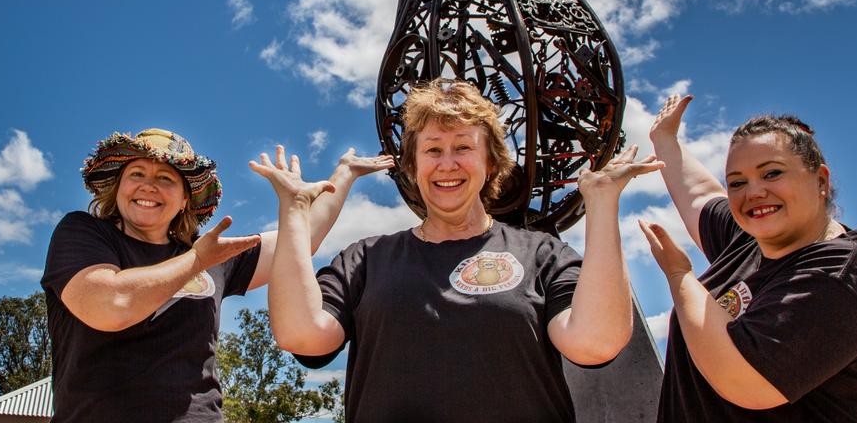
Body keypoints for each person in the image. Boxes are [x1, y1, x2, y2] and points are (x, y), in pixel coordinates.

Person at [250, 78, 661, 422]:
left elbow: (596, 342)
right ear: (411, 167)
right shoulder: (366, 259)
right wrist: (294, 211)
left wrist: (604, 206)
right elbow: (302, 335)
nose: (447, 163)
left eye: (463, 147)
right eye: (432, 150)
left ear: (491, 163)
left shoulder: (542, 255)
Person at [41, 128, 391, 422]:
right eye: (137, 174)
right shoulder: (84, 234)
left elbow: (300, 241)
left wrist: (342, 176)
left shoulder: (213, 255)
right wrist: (195, 261)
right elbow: (110, 305)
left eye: (165, 179)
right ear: (118, 188)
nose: (149, 186)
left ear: (184, 202)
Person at [640, 94, 857, 422]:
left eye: (772, 173)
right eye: (737, 182)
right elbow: (700, 195)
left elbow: (743, 379)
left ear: (821, 180)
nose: (754, 192)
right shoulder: (751, 239)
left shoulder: (839, 275)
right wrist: (663, 138)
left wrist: (679, 276)